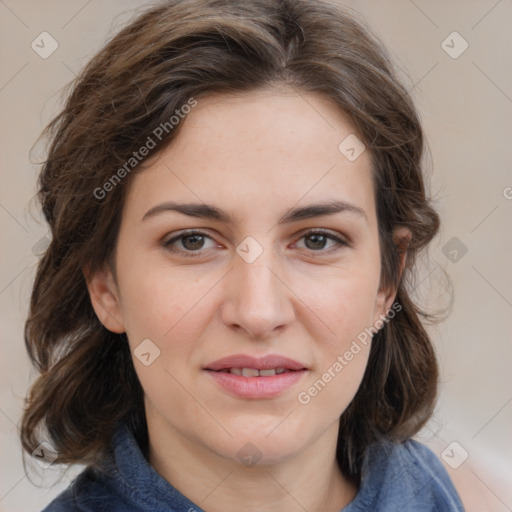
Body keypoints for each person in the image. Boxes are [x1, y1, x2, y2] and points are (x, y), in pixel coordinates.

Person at [21, 0, 465, 510]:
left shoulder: (436, 493)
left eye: (317, 239)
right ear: (105, 284)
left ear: (388, 279)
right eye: (192, 241)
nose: (258, 312)